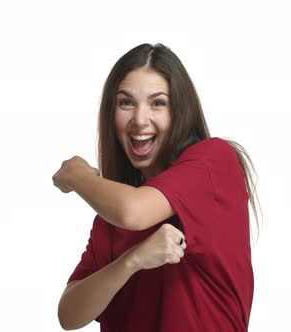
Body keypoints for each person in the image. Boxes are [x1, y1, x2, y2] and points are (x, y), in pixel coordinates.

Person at [53, 43, 261, 331]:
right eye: (126, 102)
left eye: (158, 103)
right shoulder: (111, 216)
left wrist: (76, 175)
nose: (140, 120)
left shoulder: (215, 160)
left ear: (180, 111)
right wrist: (132, 260)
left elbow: (133, 212)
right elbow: (69, 314)